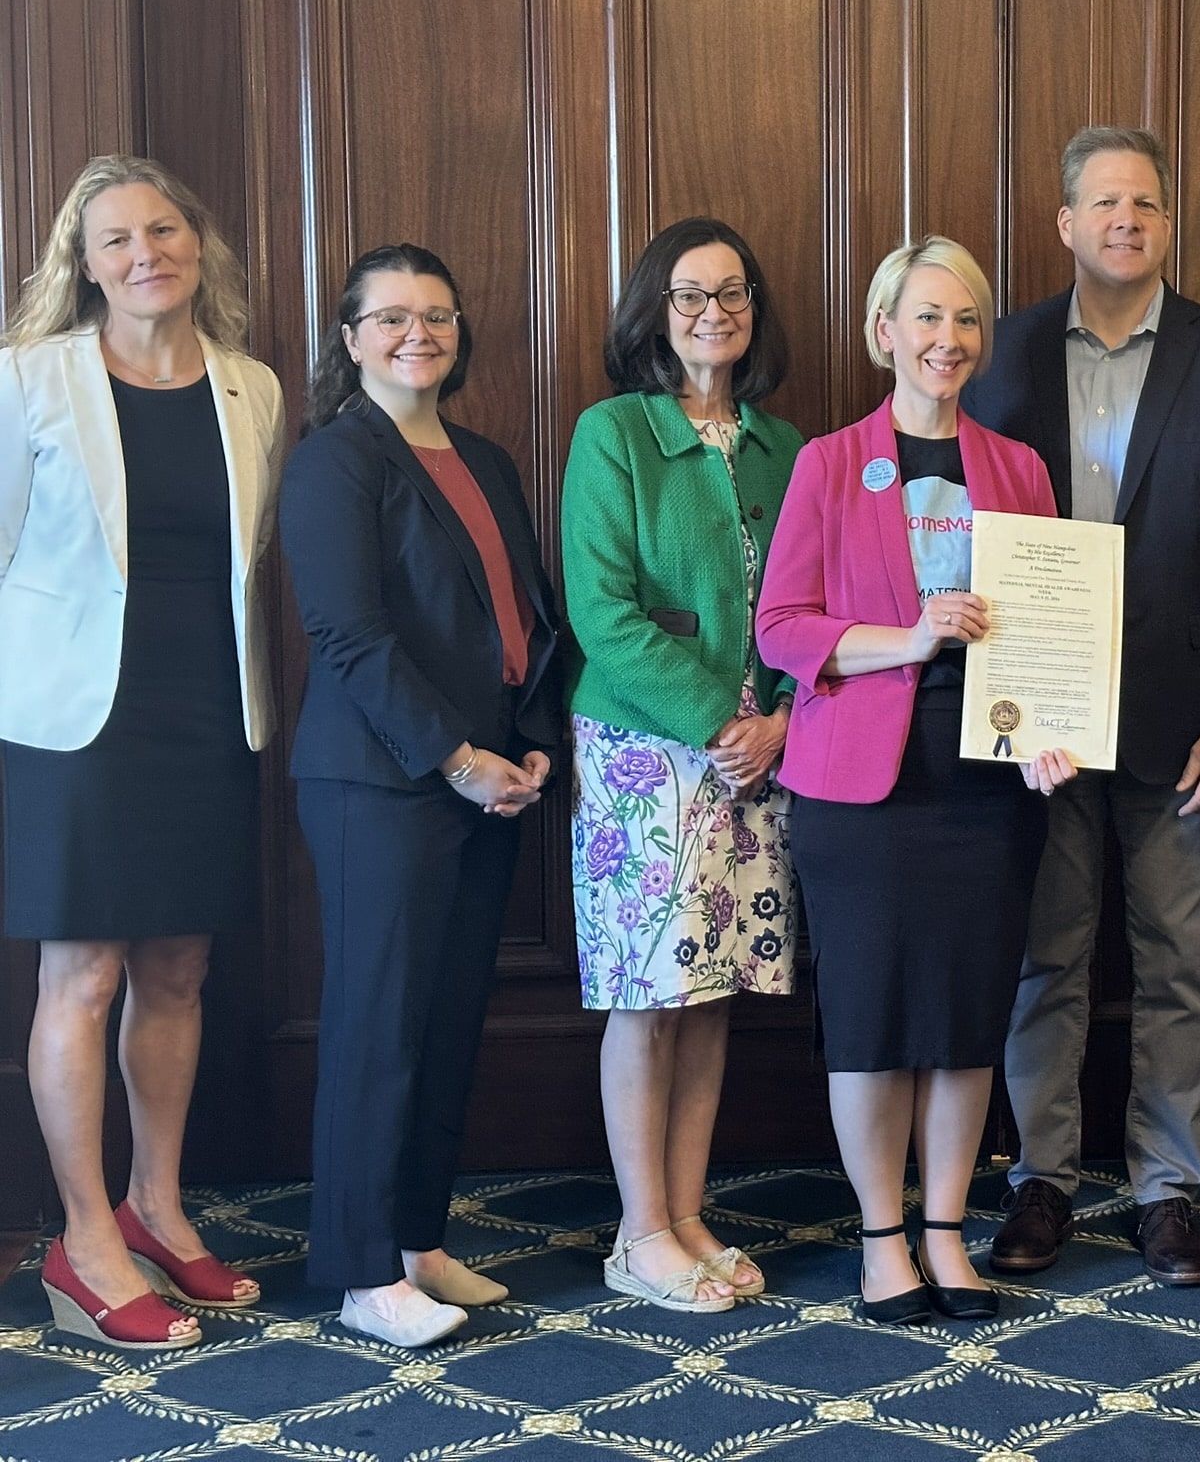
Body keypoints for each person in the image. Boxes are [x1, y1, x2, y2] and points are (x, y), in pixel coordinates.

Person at [961, 126, 1200, 1286]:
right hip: (1036, 724)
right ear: (1063, 223)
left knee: (1179, 964)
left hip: (1182, 721)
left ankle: (1166, 1194)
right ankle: (1038, 1183)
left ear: (1165, 222)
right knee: (1043, 961)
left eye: (1145, 203)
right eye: (1103, 202)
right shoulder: (996, 356)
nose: (1125, 220)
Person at [756, 237, 1074, 1325]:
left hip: (986, 781)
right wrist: (906, 637)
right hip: (861, 782)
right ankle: (881, 1239)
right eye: (925, 317)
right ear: (884, 329)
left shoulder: (1017, 467)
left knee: (963, 1012)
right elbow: (784, 630)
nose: (948, 339)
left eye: (967, 321)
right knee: (874, 1017)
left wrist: (1049, 725)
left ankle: (946, 1232)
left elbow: (1040, 632)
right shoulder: (829, 463)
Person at [2, 156, 282, 1350]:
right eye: (113, 240)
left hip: (209, 710)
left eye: (161, 230)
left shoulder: (253, 388)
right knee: (86, 975)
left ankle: (156, 1206)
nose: (142, 255)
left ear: (196, 244)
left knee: (178, 971)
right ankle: (83, 1240)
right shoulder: (28, 382)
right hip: (75, 724)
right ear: (83, 263)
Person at [280, 244, 563, 1346]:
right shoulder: (335, 460)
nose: (418, 334)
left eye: (438, 315)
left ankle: (416, 1241)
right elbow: (348, 637)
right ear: (349, 339)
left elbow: (525, 618)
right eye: (391, 317)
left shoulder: (485, 459)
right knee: (376, 1022)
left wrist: (529, 743)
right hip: (380, 783)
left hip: (490, 780)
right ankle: (359, 1270)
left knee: (445, 1020)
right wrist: (452, 756)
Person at [560, 218, 803, 1313]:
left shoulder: (785, 448)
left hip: (760, 760)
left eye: (735, 293)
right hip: (643, 757)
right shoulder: (612, 433)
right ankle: (637, 1230)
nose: (716, 312)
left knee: (714, 999)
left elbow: (817, 609)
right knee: (648, 995)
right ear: (655, 313)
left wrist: (785, 721)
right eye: (692, 294)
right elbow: (603, 616)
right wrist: (724, 718)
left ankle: (689, 1211)